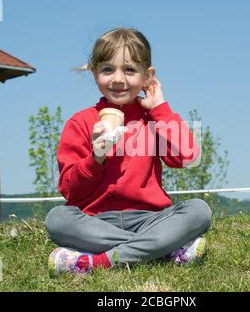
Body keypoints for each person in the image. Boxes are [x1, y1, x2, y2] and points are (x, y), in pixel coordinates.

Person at [45, 27, 212, 275]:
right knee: (57, 219)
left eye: (130, 70)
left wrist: (161, 109)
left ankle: (97, 260)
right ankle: (164, 249)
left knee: (199, 210)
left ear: (148, 76)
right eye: (108, 69)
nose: (118, 79)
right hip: (96, 220)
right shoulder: (80, 123)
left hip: (151, 219)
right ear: (95, 74)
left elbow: (187, 156)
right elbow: (69, 190)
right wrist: (95, 159)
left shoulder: (153, 119)